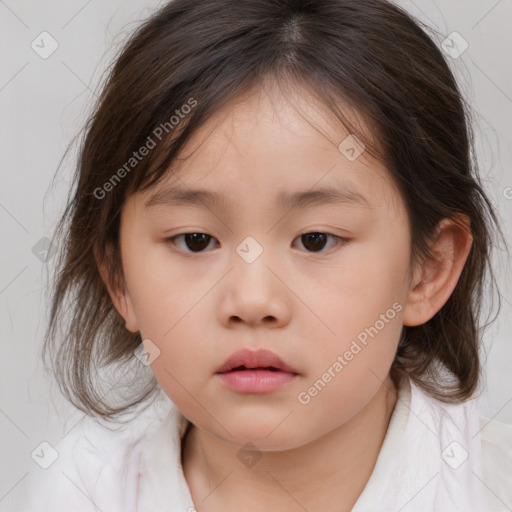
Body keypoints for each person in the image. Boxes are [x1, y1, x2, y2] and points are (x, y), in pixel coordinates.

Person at [13, 0, 512, 511]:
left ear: (428, 269)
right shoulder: (76, 491)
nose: (252, 301)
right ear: (119, 277)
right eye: (195, 240)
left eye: (316, 239)